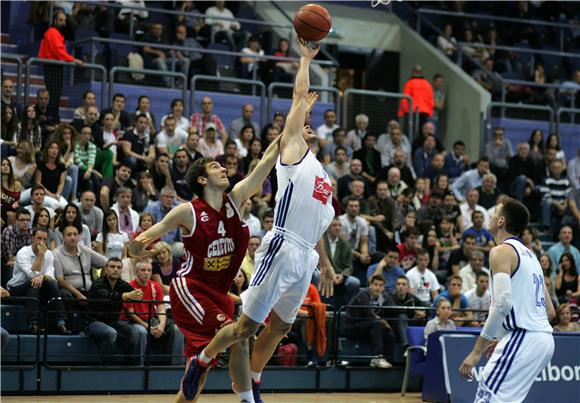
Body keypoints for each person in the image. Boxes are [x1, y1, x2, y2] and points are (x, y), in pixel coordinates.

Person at [154, 39, 335, 403]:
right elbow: (299, 100)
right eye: (302, 127)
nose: (308, 128)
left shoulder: (324, 177)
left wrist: (327, 265)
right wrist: (304, 60)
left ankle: (252, 382)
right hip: (282, 246)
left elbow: (321, 226)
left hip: (307, 256)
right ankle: (204, 361)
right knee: (246, 328)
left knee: (282, 325)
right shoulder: (293, 155)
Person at [128, 83, 298, 402]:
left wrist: (292, 127)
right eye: (216, 166)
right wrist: (136, 249)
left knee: (222, 354)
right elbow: (146, 238)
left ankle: (206, 370)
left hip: (216, 293)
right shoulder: (189, 211)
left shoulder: (236, 199)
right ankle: (240, 391)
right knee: (237, 332)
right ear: (202, 180)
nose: (224, 167)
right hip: (190, 288)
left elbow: (265, 160)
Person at [459, 197, 556, 403]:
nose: (491, 217)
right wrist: (505, 337)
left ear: (501, 221)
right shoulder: (532, 256)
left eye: (494, 213)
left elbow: (502, 304)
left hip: (525, 337)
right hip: (543, 341)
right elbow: (550, 312)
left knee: (488, 396)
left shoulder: (501, 251)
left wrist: (478, 351)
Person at [6, 227, 70, 334]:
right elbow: (32, 275)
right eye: (39, 238)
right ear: (32, 238)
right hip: (17, 289)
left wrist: (43, 277)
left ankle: (61, 322)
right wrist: (40, 255)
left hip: (37, 290)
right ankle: (33, 324)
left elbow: (51, 276)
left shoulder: (49, 254)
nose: (41, 242)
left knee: (51, 283)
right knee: (34, 283)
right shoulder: (23, 253)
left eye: (44, 239)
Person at [122, 260, 185, 365]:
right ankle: (139, 366)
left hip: (153, 318)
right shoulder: (129, 287)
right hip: (135, 321)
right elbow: (131, 314)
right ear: (136, 272)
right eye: (143, 270)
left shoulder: (155, 286)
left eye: (149, 270)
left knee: (177, 329)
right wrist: (148, 327)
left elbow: (161, 308)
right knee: (141, 331)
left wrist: (161, 326)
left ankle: (177, 365)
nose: (146, 273)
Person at [85, 257, 145, 365]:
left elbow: (133, 290)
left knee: (136, 332)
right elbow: (105, 296)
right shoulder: (98, 283)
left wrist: (138, 293)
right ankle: (105, 367)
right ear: (106, 269)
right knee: (110, 332)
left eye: (118, 267)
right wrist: (125, 295)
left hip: (114, 322)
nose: (116, 269)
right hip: (94, 322)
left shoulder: (121, 284)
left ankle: (133, 366)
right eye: (112, 267)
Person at [345, 274, 395, 368]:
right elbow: (369, 313)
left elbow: (381, 316)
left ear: (383, 288)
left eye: (380, 285)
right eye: (376, 284)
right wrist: (383, 322)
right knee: (377, 323)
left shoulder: (381, 299)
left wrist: (385, 325)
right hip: (353, 327)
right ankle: (376, 358)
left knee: (389, 334)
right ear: (370, 285)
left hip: (368, 327)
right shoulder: (363, 294)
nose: (378, 288)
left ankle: (389, 360)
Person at [38, 10, 84, 111]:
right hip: (52, 67)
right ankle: (52, 118)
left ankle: (53, 117)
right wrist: (74, 60)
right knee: (54, 94)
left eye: (64, 20)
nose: (63, 23)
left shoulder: (55, 33)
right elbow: (58, 52)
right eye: (60, 20)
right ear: (54, 20)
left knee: (55, 94)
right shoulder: (53, 32)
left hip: (55, 66)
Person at [54, 223, 107, 301]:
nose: (73, 237)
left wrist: (100, 282)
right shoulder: (56, 254)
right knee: (64, 294)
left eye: (75, 234)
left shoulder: (85, 250)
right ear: (63, 238)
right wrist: (78, 294)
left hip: (89, 290)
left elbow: (107, 263)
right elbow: (60, 281)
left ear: (78, 237)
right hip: (71, 292)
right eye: (69, 235)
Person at [323, 217, 360, 309]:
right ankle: (320, 308)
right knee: (315, 277)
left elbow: (349, 267)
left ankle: (348, 310)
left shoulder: (346, 244)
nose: (337, 228)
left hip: (340, 275)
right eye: (334, 225)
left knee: (354, 282)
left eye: (339, 225)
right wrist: (327, 274)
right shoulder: (321, 241)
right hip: (324, 273)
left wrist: (342, 275)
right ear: (328, 227)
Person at [384, 276, 427, 348]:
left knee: (421, 318)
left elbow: (424, 306)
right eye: (399, 284)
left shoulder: (411, 297)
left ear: (408, 287)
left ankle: (423, 345)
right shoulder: (390, 297)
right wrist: (414, 310)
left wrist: (422, 313)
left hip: (407, 323)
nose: (401, 286)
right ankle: (406, 345)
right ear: (395, 287)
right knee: (402, 316)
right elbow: (395, 310)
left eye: (404, 284)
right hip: (393, 325)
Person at [398, 65, 434, 131]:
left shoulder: (409, 83)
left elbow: (404, 100)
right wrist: (430, 113)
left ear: (413, 71)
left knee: (410, 132)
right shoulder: (427, 84)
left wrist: (402, 113)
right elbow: (431, 100)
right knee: (422, 133)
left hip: (411, 113)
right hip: (424, 114)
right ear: (421, 72)